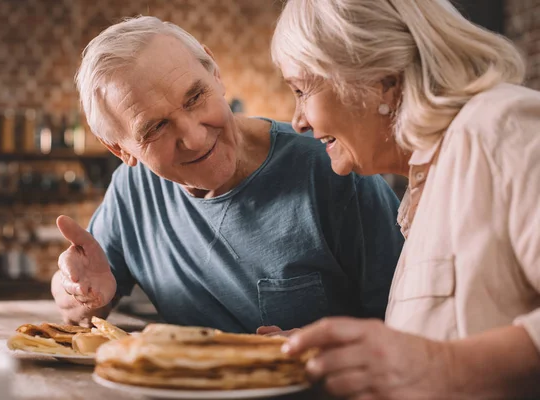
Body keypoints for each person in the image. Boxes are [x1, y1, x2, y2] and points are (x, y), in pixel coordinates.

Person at [51, 16, 404, 334]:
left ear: (215, 74)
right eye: (156, 127)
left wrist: (321, 351)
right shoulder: (133, 192)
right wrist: (82, 292)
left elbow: (410, 327)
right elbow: (81, 298)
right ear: (120, 149)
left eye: (195, 97)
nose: (195, 137)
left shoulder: (335, 167)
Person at [270, 0, 540, 398]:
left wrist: (440, 365)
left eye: (301, 90)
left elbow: (435, 364)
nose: (298, 121)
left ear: (382, 78)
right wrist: (348, 357)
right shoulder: (424, 190)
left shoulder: (498, 127)